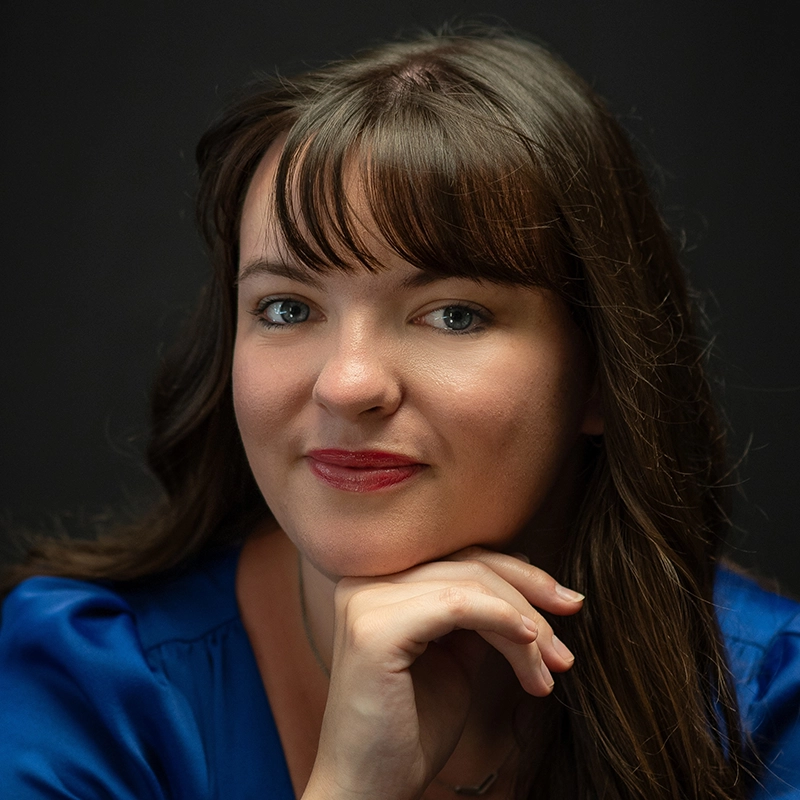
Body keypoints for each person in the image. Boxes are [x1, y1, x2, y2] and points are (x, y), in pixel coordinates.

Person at [1, 27, 798, 800]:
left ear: (600, 374)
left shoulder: (770, 698)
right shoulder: (86, 686)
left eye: (452, 314)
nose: (347, 384)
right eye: (285, 307)